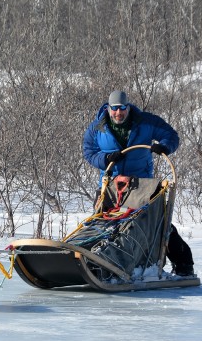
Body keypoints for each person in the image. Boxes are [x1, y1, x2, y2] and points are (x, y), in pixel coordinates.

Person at [82, 90, 195, 276]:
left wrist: (164, 146)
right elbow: (89, 151)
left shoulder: (145, 121)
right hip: (111, 185)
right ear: (108, 109)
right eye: (115, 109)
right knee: (102, 223)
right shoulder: (98, 127)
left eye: (122, 109)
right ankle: (92, 260)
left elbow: (171, 135)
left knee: (157, 222)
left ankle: (184, 264)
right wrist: (105, 158)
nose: (119, 113)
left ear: (128, 107)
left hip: (142, 185)